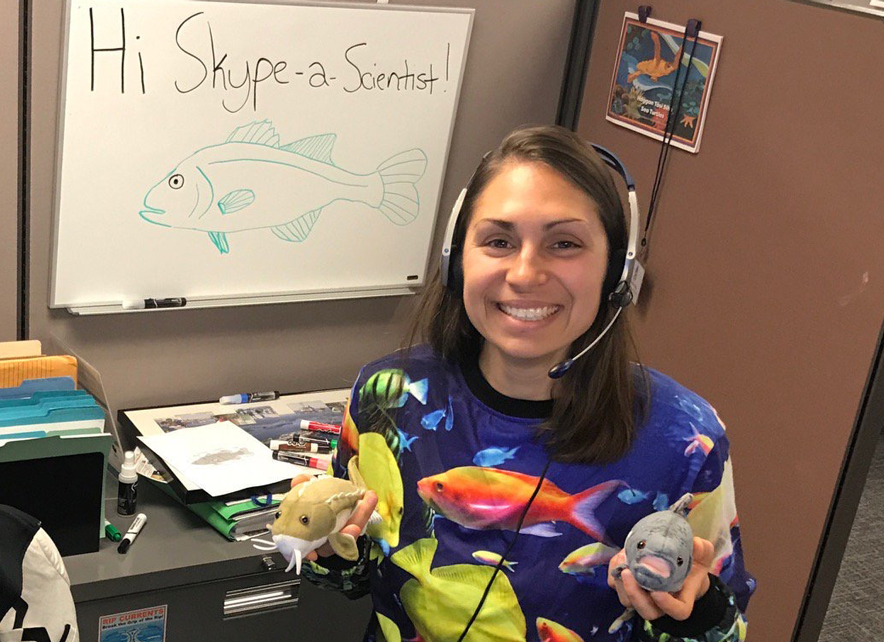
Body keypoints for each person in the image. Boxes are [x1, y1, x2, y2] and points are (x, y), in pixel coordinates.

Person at [297, 125, 754, 642]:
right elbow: (351, 576)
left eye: (564, 243)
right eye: (498, 241)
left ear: (617, 272)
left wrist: (692, 610)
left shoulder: (684, 438)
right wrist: (324, 551)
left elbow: (728, 631)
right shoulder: (391, 393)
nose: (525, 272)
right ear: (456, 260)